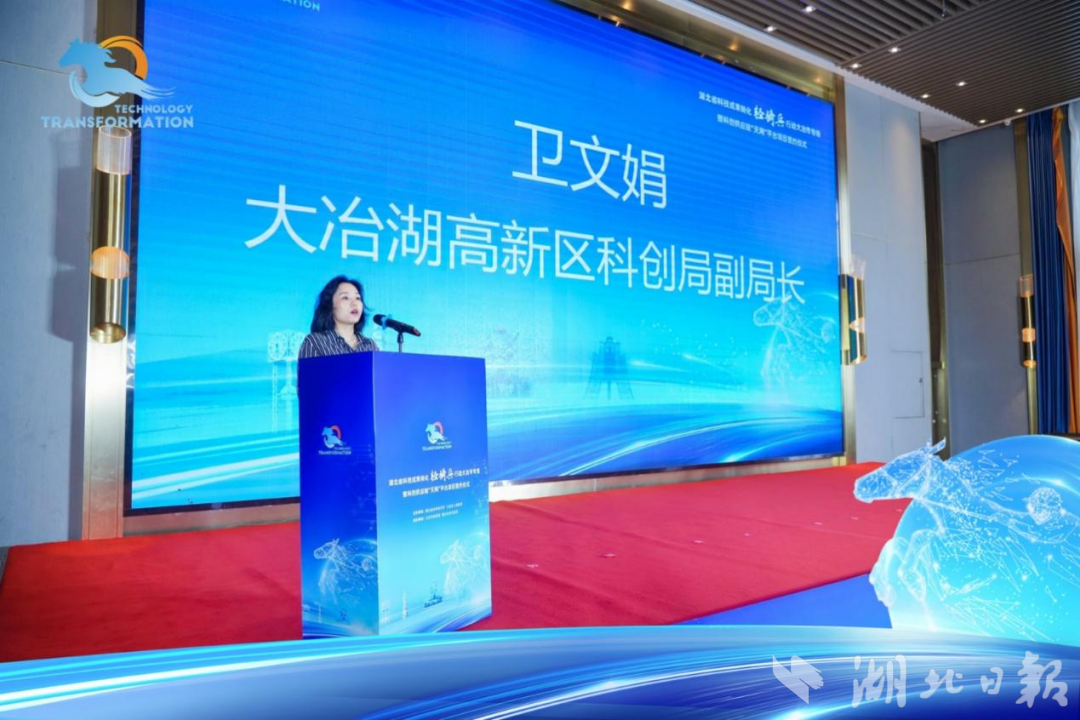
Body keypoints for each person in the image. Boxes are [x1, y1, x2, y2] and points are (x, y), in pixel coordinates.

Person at [298, 275, 379, 358]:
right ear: (329, 305)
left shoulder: (370, 345)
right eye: (345, 298)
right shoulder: (315, 343)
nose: (354, 303)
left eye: (357, 298)